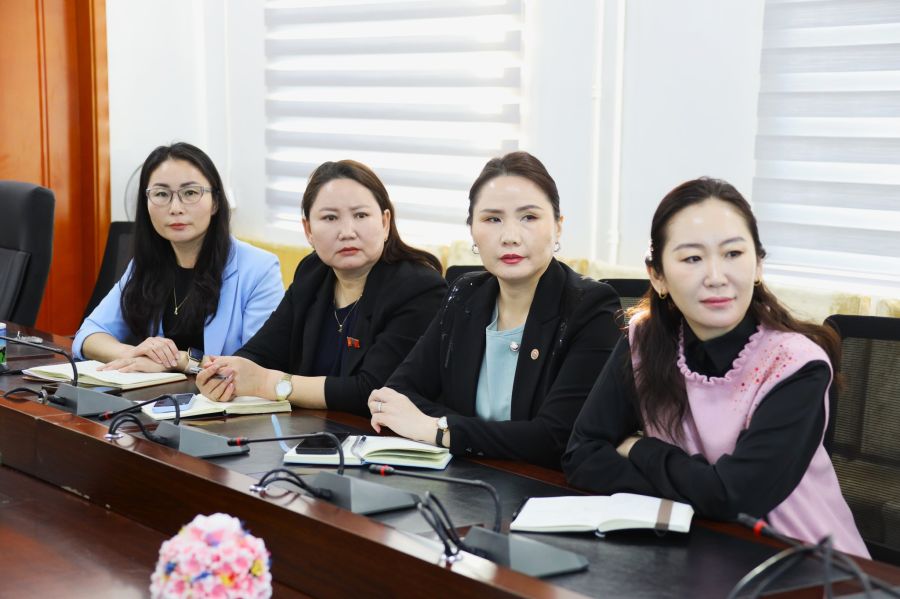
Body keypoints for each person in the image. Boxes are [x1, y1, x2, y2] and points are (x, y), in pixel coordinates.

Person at [563, 177, 868, 557]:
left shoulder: (796, 365)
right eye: (692, 258)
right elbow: (581, 456)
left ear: (758, 265)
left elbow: (735, 497)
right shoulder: (643, 339)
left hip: (801, 560)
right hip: (691, 549)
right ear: (657, 275)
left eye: (733, 254)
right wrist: (702, 490)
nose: (716, 277)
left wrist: (640, 449)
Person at [366, 152, 621, 470]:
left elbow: (555, 437)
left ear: (558, 226)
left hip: (540, 487)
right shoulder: (465, 293)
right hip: (460, 477)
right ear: (472, 229)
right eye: (492, 219)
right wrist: (488, 435)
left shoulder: (591, 307)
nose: (510, 237)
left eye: (529, 217)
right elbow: (398, 392)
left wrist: (438, 430)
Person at [195, 160, 446, 415]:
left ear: (385, 223)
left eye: (360, 215)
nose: (347, 232)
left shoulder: (419, 288)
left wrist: (268, 383)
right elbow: (262, 351)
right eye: (330, 218)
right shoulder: (313, 272)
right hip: (309, 430)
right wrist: (225, 376)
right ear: (308, 230)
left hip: (378, 434)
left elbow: (373, 392)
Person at [74, 142, 283, 373]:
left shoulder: (259, 269)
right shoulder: (146, 265)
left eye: (190, 193)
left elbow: (258, 366)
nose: (175, 208)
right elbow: (88, 334)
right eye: (161, 194)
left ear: (215, 202)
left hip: (218, 396)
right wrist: (133, 354)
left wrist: (178, 361)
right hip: (154, 394)